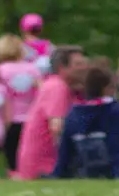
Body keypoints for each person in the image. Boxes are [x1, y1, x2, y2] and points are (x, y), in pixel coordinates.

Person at [53, 66, 119, 179]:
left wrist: (58, 174)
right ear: (106, 88)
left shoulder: (74, 113)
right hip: (110, 170)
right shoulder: (113, 110)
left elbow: (65, 151)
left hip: (83, 171)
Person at [14, 44, 87, 180]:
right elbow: (57, 129)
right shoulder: (57, 87)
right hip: (45, 168)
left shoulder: (57, 85)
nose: (84, 68)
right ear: (62, 67)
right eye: (78, 64)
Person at [0, 34, 40, 175]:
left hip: (9, 119)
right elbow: (42, 93)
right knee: (29, 156)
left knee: (11, 157)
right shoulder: (32, 69)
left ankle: (14, 177)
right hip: (31, 119)